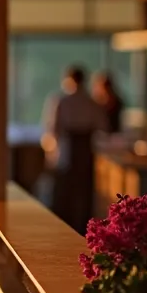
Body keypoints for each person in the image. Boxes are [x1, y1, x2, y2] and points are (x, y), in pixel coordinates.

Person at [41, 65, 108, 233]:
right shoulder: (92, 102)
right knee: (83, 192)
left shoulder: (61, 101)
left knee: (65, 193)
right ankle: (83, 228)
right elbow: (103, 127)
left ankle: (63, 227)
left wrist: (51, 155)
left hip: (67, 149)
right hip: (85, 151)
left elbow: (52, 130)